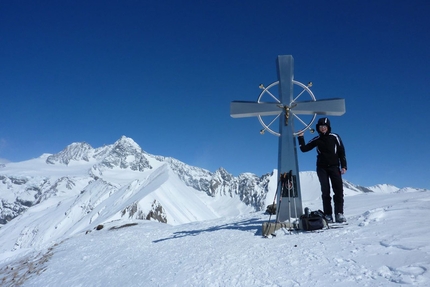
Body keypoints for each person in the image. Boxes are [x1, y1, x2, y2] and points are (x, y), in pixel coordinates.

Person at [297, 117, 347, 223]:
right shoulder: (317, 139)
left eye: (325, 126)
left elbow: (341, 151)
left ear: (328, 127)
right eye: (321, 127)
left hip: (334, 167)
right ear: (318, 128)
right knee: (325, 191)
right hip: (321, 168)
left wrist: (344, 166)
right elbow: (304, 149)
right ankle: (328, 214)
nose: (323, 128)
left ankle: (339, 214)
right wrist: (301, 137)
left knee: (338, 190)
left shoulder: (335, 137)